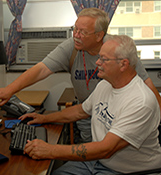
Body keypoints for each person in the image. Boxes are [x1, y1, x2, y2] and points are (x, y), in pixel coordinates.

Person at [0, 8, 161, 143]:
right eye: (75, 29)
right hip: (85, 113)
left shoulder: (117, 50)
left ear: (99, 35)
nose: (76, 35)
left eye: (83, 32)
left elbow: (147, 85)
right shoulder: (72, 47)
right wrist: (9, 90)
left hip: (118, 115)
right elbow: (42, 69)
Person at [19, 34, 161, 174]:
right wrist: (44, 118)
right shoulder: (105, 85)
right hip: (97, 160)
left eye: (103, 59)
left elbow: (106, 149)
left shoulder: (141, 102)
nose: (97, 62)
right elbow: (81, 111)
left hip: (126, 170)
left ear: (123, 64)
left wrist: (50, 150)